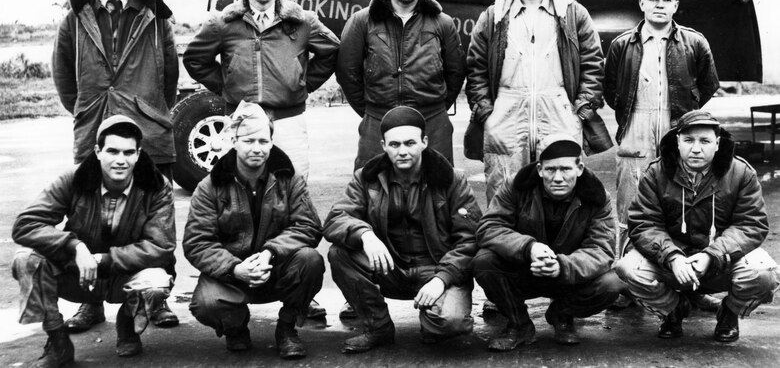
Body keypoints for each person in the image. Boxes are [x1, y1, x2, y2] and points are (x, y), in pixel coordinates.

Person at [51, 0, 179, 331]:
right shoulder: (75, 18)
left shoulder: (155, 15)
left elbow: (169, 75)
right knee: (91, 220)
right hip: (95, 132)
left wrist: (151, 109)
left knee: (155, 221)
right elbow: (62, 75)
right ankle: (92, 304)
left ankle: (155, 300)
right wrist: (86, 110)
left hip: (148, 134)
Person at [12, 115, 176, 364]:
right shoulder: (74, 179)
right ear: (98, 151)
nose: (121, 160)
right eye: (112, 151)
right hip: (77, 273)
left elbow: (161, 246)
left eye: (129, 152)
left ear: (138, 154)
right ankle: (58, 343)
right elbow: (25, 225)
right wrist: (74, 246)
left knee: (156, 281)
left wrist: (103, 259)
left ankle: (127, 324)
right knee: (26, 260)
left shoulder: (156, 186)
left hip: (124, 274)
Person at [465, 0, 611, 205]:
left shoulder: (572, 13)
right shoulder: (494, 16)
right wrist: (487, 111)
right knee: (503, 191)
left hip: (559, 112)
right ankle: (506, 245)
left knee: (562, 188)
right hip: (505, 116)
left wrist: (581, 110)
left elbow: (593, 62)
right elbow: (475, 67)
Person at [324, 106, 481, 354]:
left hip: (437, 268)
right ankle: (378, 328)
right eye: (395, 144)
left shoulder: (452, 179)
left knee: (449, 324)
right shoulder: (366, 178)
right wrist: (365, 235)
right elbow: (335, 218)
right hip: (390, 267)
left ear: (424, 142)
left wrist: (442, 279)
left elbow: (470, 239)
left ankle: (433, 320)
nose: (403, 151)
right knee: (339, 253)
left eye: (410, 143)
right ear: (383, 145)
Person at [605, 0, 720, 308]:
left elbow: (708, 85)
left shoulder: (695, 43)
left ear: (676, 6)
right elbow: (613, 91)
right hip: (635, 132)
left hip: (676, 132)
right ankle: (626, 285)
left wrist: (683, 117)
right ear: (642, 4)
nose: (659, 5)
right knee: (629, 210)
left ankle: (695, 287)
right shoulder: (622, 45)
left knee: (686, 208)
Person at [616, 111, 779, 343]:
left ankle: (730, 312)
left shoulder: (741, 173)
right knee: (627, 269)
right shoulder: (656, 173)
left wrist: (712, 255)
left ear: (717, 144)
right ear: (678, 142)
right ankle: (674, 309)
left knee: (765, 275)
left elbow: (750, 224)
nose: (696, 149)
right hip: (673, 264)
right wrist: (671, 256)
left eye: (705, 141)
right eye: (689, 140)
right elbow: (644, 223)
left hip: (720, 262)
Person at [184, 0, 340, 180]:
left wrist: (303, 84)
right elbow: (195, 59)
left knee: (293, 185)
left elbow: (331, 51)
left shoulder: (303, 21)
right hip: (242, 120)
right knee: (240, 189)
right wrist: (226, 85)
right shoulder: (223, 23)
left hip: (289, 120)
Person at [183, 101, 324, 359]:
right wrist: (236, 269)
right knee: (206, 303)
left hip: (277, 269)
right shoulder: (209, 186)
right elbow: (197, 243)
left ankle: (287, 328)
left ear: (271, 142)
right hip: (232, 275)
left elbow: (309, 226)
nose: (257, 148)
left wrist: (271, 252)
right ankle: (235, 327)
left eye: (263, 141)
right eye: (248, 141)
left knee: (310, 261)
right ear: (234, 141)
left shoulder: (290, 179)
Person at [473, 134, 621, 351]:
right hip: (525, 270)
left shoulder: (597, 197)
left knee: (613, 282)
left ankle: (562, 314)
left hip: (569, 277)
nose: (558, 177)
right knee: (483, 261)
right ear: (540, 169)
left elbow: (601, 250)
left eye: (566, 169)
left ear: (579, 168)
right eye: (551, 170)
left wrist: (562, 266)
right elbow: (489, 227)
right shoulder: (516, 186)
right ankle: (519, 324)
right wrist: (528, 247)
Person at [337, 0, 466, 169]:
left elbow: (456, 71)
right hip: (379, 118)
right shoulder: (362, 21)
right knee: (372, 188)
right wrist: (371, 110)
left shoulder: (442, 23)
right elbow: (347, 71)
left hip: (432, 121)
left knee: (438, 191)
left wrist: (437, 108)